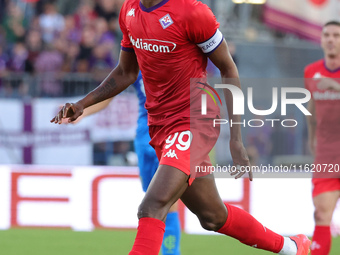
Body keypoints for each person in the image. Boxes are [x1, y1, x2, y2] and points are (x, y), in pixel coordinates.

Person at [51, 0, 310, 254]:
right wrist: (82, 104)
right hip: (160, 125)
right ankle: (292, 247)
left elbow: (228, 68)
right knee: (212, 216)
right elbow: (125, 73)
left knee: (152, 207)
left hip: (194, 120)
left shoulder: (192, 11)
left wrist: (236, 138)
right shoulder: (130, 10)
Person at [67, 72, 182, 255]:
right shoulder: (135, 60)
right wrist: (83, 112)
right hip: (146, 138)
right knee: (155, 199)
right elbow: (109, 93)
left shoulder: (176, 54)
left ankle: (172, 253)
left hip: (174, 134)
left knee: (167, 198)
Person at [305, 20, 340, 255]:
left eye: (336, 35)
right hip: (327, 155)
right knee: (321, 213)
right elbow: (311, 107)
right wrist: (312, 137)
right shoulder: (311, 71)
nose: (330, 39)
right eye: (326, 35)